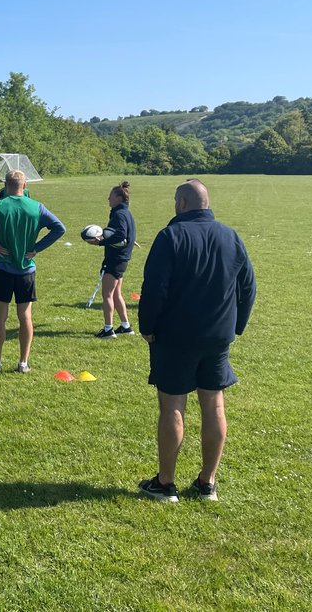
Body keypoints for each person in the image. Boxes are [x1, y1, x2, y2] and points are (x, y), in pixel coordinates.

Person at [136, 179, 256, 503]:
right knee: (214, 404)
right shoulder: (232, 237)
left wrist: (146, 326)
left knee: (172, 406)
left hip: (175, 337)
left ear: (182, 203)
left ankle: (165, 484)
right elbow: (249, 287)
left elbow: (154, 288)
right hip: (217, 337)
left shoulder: (170, 236)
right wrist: (237, 325)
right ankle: (208, 483)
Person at [0, 169, 65, 374]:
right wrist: (37, 248)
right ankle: (23, 363)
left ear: (5, 186)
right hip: (26, 270)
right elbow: (59, 228)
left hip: (2, 268)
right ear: (25, 186)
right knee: (25, 317)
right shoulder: (36, 207)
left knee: (0, 318)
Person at [86, 181, 136, 338]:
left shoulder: (119, 214)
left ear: (119, 198)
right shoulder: (125, 213)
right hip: (122, 259)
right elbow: (124, 234)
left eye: (111, 196)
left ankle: (108, 329)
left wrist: (101, 242)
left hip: (115, 259)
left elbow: (121, 234)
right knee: (116, 293)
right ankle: (126, 326)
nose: (108, 198)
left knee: (107, 293)